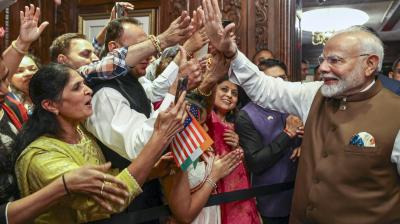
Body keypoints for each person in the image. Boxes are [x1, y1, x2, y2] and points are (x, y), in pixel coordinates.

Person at [201, 1, 400, 223]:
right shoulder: (315, 94)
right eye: (322, 60)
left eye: (335, 60)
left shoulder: (395, 114)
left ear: (370, 64)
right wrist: (231, 52)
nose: (322, 68)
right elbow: (265, 88)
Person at [14, 63, 187, 223]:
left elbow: (104, 180)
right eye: (76, 88)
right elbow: (108, 199)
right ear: (50, 105)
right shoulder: (43, 157)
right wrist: (160, 137)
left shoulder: (81, 132)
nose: (88, 90)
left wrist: (152, 171)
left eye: (84, 84)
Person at [236, 58, 303, 224]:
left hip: (303, 198)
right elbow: (256, 163)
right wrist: (287, 134)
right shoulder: (247, 115)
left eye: (283, 78)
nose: (280, 84)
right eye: (273, 80)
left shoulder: (296, 104)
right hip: (272, 203)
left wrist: (304, 144)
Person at [206, 76, 260, 224]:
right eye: (224, 89)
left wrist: (237, 146)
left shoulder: (237, 123)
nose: (229, 95)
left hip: (237, 188)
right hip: (212, 187)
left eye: (234, 93)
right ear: (212, 90)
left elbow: (246, 164)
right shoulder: (204, 120)